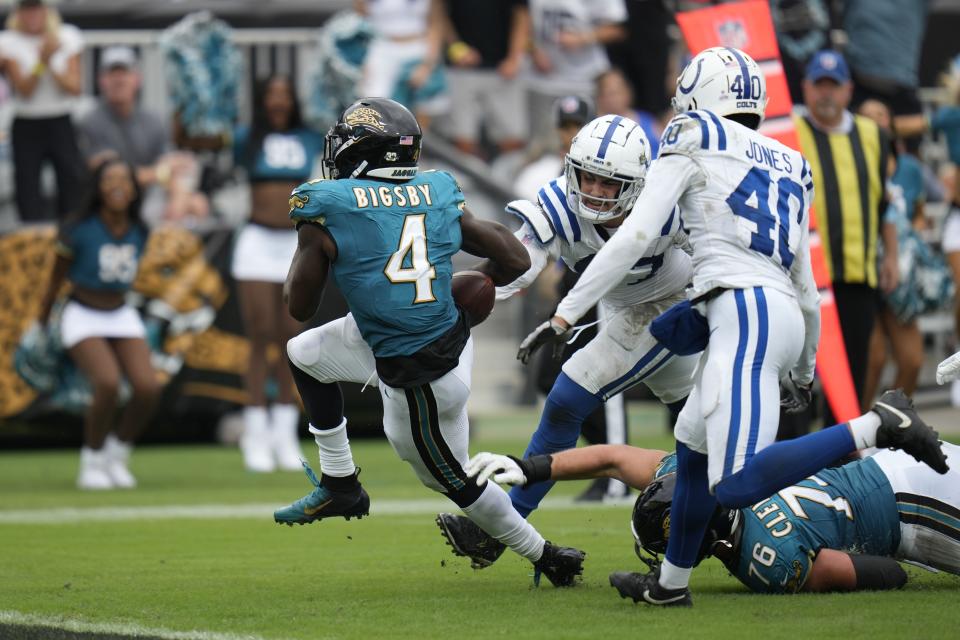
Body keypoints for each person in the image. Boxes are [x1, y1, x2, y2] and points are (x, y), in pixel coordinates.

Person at [514, 46, 947, 606]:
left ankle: (875, 425)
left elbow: (636, 237)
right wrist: (806, 366)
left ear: (697, 96)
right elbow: (808, 288)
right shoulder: (790, 159)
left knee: (734, 484)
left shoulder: (692, 136)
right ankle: (670, 587)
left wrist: (566, 311)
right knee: (691, 454)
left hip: (743, 312)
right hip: (779, 314)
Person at [272, 97, 586, 586]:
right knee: (306, 354)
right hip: (446, 338)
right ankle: (340, 482)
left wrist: (313, 240)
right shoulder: (435, 188)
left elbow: (299, 307)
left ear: (360, 152)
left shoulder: (326, 204)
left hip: (417, 373)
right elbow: (515, 261)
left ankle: (546, 555)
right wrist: (471, 287)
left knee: (449, 479)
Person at [443, 392, 960, 594]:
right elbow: (613, 457)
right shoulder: (700, 479)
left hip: (914, 512)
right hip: (887, 467)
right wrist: (530, 467)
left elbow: (886, 574)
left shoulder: (764, 562)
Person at [502, 114, 698, 514]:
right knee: (696, 425)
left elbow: (716, 254)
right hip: (620, 308)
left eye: (608, 182)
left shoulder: (667, 204)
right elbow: (519, 265)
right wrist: (470, 294)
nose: (593, 190)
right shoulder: (558, 201)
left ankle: (505, 521)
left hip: (674, 303)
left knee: (567, 397)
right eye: (587, 177)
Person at [37, 158, 161, 490]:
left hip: (120, 311)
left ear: (135, 189)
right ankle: (91, 460)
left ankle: (116, 454)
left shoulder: (141, 229)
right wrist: (39, 324)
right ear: (98, 187)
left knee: (147, 387)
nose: (117, 185)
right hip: (82, 310)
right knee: (106, 383)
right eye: (109, 179)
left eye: (125, 179)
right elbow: (53, 282)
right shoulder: (78, 228)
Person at [793, 50, 899, 421]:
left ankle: (839, 461)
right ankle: (790, 460)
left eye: (833, 86)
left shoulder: (873, 135)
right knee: (794, 374)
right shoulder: (788, 132)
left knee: (851, 377)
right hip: (801, 277)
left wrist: (891, 257)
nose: (826, 94)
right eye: (818, 85)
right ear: (805, 88)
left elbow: (886, 202)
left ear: (848, 90)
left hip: (855, 274)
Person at [228, 75, 323, 473]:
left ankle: (284, 431)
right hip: (255, 240)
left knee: (291, 338)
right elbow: (196, 141)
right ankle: (254, 430)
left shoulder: (309, 136)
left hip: (293, 243)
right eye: (272, 94)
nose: (279, 101)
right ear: (262, 100)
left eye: (286, 93)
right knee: (259, 334)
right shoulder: (246, 136)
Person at [76, 45, 208, 226]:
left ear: (137, 79)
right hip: (107, 201)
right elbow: (113, 177)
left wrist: (177, 196)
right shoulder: (91, 121)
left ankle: (165, 248)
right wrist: (160, 173)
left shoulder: (153, 120)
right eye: (112, 74)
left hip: (146, 197)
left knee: (197, 203)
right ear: (102, 81)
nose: (119, 80)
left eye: (124, 73)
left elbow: (171, 166)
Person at [0, 0, 83, 223]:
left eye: (36, 8)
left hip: (60, 120)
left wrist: (51, 62)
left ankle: (70, 234)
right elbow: (25, 90)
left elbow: (74, 87)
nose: (32, 14)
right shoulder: (8, 42)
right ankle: (31, 237)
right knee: (27, 187)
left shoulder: (68, 36)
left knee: (70, 181)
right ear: (18, 13)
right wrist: (42, 60)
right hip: (27, 122)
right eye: (27, 9)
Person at [524, 0, 627, 142]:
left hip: (585, 79)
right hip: (543, 82)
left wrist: (582, 38)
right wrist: (532, 49)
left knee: (589, 140)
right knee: (541, 143)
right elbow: (520, 17)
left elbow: (618, 28)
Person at [443, 0, 529, 159]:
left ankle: (506, 180)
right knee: (463, 140)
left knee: (512, 140)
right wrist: (455, 46)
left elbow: (522, 14)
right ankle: (462, 183)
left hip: (502, 69)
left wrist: (514, 58)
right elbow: (439, 11)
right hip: (462, 69)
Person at [355, 0, 449, 131]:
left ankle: (414, 147)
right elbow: (359, 22)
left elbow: (436, 24)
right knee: (375, 106)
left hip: (418, 48)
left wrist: (428, 64)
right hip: (381, 48)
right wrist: (362, 59)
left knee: (423, 104)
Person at [594, 68, 664, 158]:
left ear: (628, 92)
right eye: (610, 93)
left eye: (618, 91)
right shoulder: (594, 128)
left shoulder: (648, 120)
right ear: (599, 97)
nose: (615, 98)